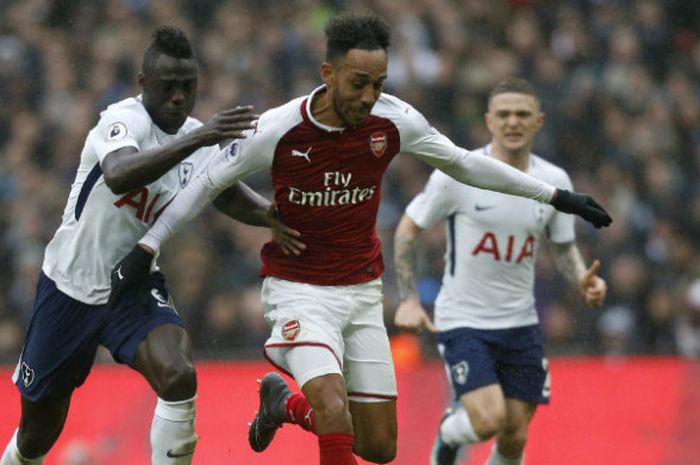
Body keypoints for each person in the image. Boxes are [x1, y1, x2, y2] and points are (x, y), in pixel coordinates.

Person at [109, 14, 610, 465]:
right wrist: (148, 246)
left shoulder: (394, 120)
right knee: (332, 406)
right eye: (358, 83)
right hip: (297, 288)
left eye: (377, 83)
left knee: (378, 446)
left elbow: (464, 162)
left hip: (362, 291)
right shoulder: (279, 128)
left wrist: (556, 196)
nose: (369, 96)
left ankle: (282, 404)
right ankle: (305, 402)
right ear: (328, 75)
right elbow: (205, 184)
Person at [0, 26, 301, 465]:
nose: (179, 97)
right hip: (69, 288)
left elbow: (223, 192)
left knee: (178, 376)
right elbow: (121, 174)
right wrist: (198, 139)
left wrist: (270, 216)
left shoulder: (194, 136)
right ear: (144, 84)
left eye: (188, 87)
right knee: (36, 437)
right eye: (168, 87)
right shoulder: (122, 121)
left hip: (132, 285)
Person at [392, 77, 608, 465]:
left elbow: (561, 246)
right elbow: (409, 228)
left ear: (538, 122)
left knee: (514, 435)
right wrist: (408, 297)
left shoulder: (555, 181)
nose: (513, 122)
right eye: (504, 114)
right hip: (463, 319)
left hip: (520, 323)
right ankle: (447, 434)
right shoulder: (459, 173)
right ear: (489, 121)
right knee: (488, 418)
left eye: (522, 114)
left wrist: (581, 278)